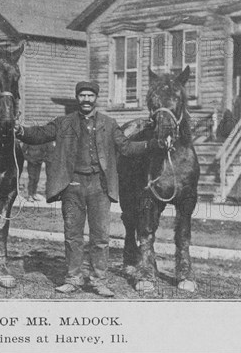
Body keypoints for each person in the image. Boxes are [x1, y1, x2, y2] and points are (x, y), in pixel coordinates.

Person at [14, 81, 162, 297]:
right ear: (77, 98)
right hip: (72, 185)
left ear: (96, 99)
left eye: (89, 95)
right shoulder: (64, 123)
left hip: (99, 187)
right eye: (82, 95)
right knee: (72, 235)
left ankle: (99, 281)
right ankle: (72, 278)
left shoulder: (109, 124)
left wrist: (151, 145)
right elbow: (39, 134)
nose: (85, 99)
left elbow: (127, 147)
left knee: (100, 237)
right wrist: (20, 130)